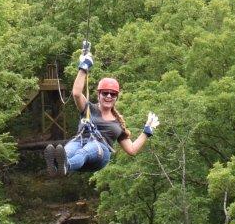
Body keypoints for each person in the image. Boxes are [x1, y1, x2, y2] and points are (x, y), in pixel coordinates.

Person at [45, 42, 158, 176]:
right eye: (105, 93)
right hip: (80, 143)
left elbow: (132, 150)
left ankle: (66, 166)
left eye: (113, 94)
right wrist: (84, 67)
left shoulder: (117, 125)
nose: (109, 96)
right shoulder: (88, 109)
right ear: (99, 95)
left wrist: (147, 131)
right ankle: (57, 165)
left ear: (116, 97)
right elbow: (76, 93)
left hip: (100, 153)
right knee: (67, 151)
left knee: (87, 150)